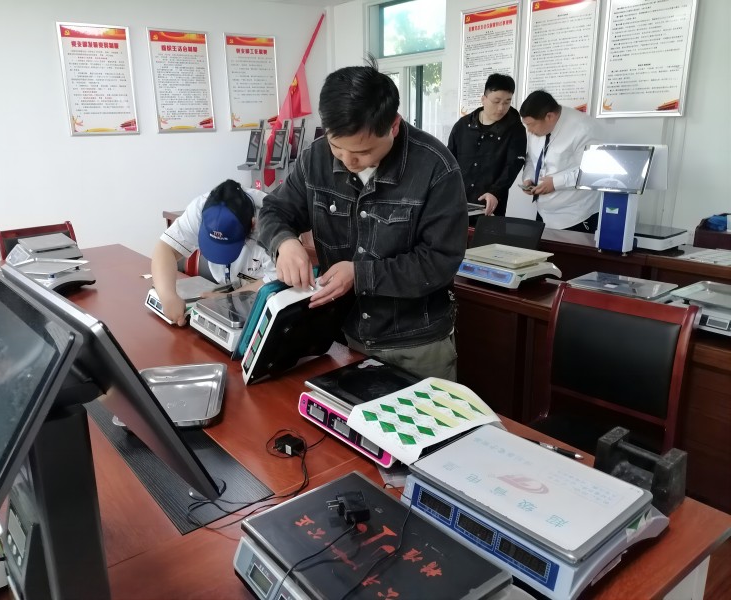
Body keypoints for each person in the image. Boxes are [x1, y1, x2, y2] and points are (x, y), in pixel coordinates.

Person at [257, 60, 468, 381]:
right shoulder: (316, 158)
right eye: (337, 147)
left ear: (393, 126)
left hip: (415, 343)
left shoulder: (436, 168)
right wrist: (284, 243)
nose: (348, 161)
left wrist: (360, 275)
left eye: (363, 152)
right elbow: (273, 211)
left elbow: (440, 261)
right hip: (344, 336)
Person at [151, 179, 276, 326]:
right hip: (230, 288)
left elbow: (276, 279)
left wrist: (227, 298)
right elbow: (165, 248)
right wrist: (168, 297)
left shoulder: (273, 222)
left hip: (264, 300)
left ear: (252, 226)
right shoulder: (199, 210)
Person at [519, 90, 601, 231]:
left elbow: (594, 171)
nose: (529, 130)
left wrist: (556, 183)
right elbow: (532, 159)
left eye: (531, 125)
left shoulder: (584, 129)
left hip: (576, 215)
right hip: (543, 212)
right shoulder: (537, 128)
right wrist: (529, 178)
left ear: (549, 116)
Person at [447, 73, 527, 216]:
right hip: (459, 201)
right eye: (496, 101)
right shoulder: (463, 125)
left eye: (507, 102)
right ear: (483, 99)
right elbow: (449, 161)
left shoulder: (515, 129)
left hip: (491, 204)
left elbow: (513, 165)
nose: (501, 108)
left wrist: (495, 192)